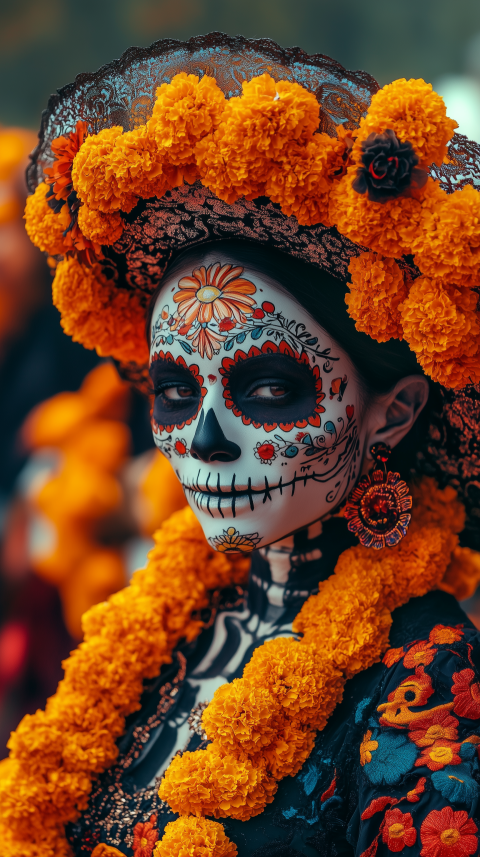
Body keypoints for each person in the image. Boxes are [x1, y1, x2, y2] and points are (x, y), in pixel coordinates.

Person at [2, 33, 480, 857]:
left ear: (390, 413)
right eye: (177, 391)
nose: (205, 439)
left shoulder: (430, 678)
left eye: (266, 390)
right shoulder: (172, 619)